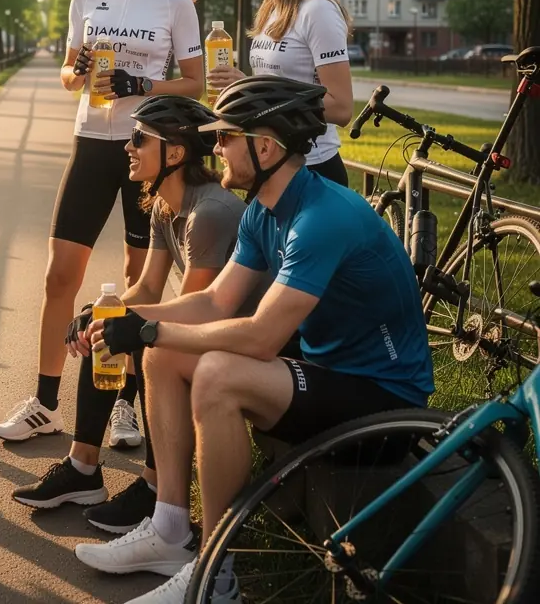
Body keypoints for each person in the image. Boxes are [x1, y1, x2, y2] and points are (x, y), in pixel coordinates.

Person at [74, 76, 434, 603]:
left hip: (384, 400)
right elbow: (214, 302)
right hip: (329, 372)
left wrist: (148, 326)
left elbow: (263, 337)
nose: (213, 145)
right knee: (165, 350)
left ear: (265, 146)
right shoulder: (265, 209)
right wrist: (118, 315)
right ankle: (171, 529)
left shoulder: (320, 218)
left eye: (224, 137)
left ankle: (217, 575)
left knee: (217, 374)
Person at [0, 0, 206, 444]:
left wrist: (142, 85)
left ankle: (127, 406)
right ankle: (45, 403)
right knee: (59, 272)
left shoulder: (175, 3)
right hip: (90, 140)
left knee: (140, 281)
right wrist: (78, 71)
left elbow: (195, 82)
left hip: (146, 150)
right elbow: (67, 74)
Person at [10, 96, 245, 538]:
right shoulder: (163, 203)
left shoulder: (210, 213)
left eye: (140, 138)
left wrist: (120, 321)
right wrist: (100, 313)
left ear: (174, 154)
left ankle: (156, 487)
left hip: (240, 336)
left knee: (137, 339)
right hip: (209, 325)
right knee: (103, 322)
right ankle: (83, 469)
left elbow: (193, 308)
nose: (127, 147)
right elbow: (148, 288)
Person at [208, 0, 353, 187]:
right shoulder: (272, 10)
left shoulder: (318, 11)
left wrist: (258, 95)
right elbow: (280, 84)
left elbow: (341, 108)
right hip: (272, 167)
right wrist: (244, 86)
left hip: (312, 169)